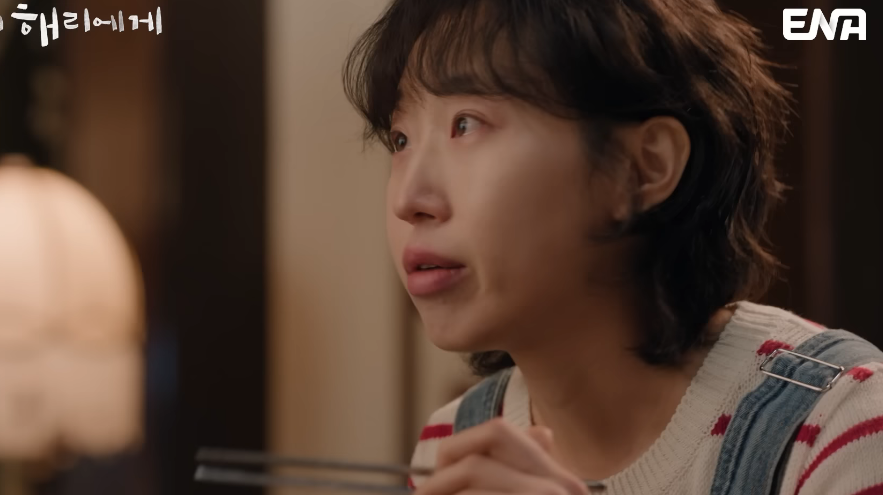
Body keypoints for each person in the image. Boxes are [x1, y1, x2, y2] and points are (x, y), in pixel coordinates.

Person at [342, 0, 883, 494]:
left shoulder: (840, 421)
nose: (409, 200)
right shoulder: (454, 443)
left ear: (643, 167)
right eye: (401, 140)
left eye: (466, 124)